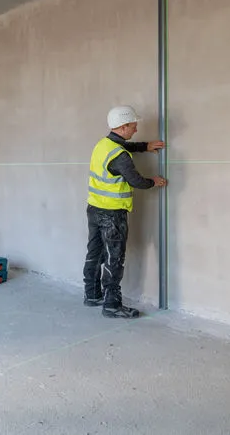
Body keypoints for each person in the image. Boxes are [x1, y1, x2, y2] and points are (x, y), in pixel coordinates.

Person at [84, 105, 167, 318]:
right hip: (112, 214)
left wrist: (145, 146)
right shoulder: (120, 156)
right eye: (133, 126)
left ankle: (92, 294)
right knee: (114, 258)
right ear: (123, 127)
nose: (136, 129)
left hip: (94, 208)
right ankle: (112, 305)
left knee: (95, 252)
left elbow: (124, 146)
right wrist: (153, 181)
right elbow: (136, 181)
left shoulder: (103, 145)